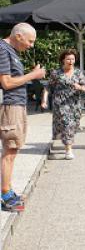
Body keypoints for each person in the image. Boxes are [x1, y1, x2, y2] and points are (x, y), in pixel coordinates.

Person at [0, 23, 46, 212]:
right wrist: (32, 75)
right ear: (18, 36)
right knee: (10, 150)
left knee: (14, 149)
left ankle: (8, 191)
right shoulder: (3, 50)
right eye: (30, 41)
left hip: (17, 106)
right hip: (10, 106)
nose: (31, 45)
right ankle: (5, 195)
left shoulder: (12, 51)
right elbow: (6, 82)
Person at [41, 49, 85, 160]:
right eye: (68, 59)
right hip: (60, 104)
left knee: (72, 125)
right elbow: (47, 88)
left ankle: (62, 140)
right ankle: (68, 150)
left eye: (72, 59)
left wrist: (80, 87)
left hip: (75, 104)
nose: (71, 61)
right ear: (63, 60)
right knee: (66, 124)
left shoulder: (78, 73)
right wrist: (44, 101)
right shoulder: (56, 73)